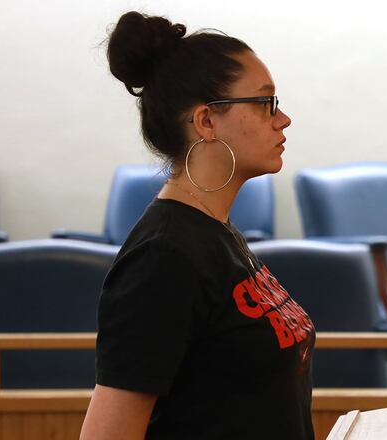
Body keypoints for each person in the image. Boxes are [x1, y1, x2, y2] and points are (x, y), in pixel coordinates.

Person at [80, 11, 315, 440]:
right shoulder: (164, 256)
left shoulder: (215, 231)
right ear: (207, 121)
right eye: (266, 103)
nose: (282, 120)